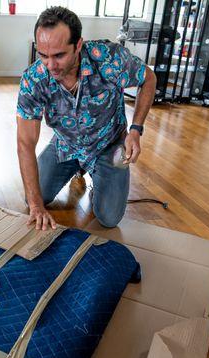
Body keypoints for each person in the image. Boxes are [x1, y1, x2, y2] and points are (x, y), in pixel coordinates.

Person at [17, 6, 156, 230]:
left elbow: (148, 78)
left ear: (78, 45)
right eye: (43, 55)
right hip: (66, 144)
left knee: (109, 218)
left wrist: (136, 130)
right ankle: (78, 167)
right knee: (32, 198)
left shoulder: (109, 59)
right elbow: (24, 142)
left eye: (59, 55)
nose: (50, 66)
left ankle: (95, 177)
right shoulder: (33, 80)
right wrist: (35, 206)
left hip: (108, 144)